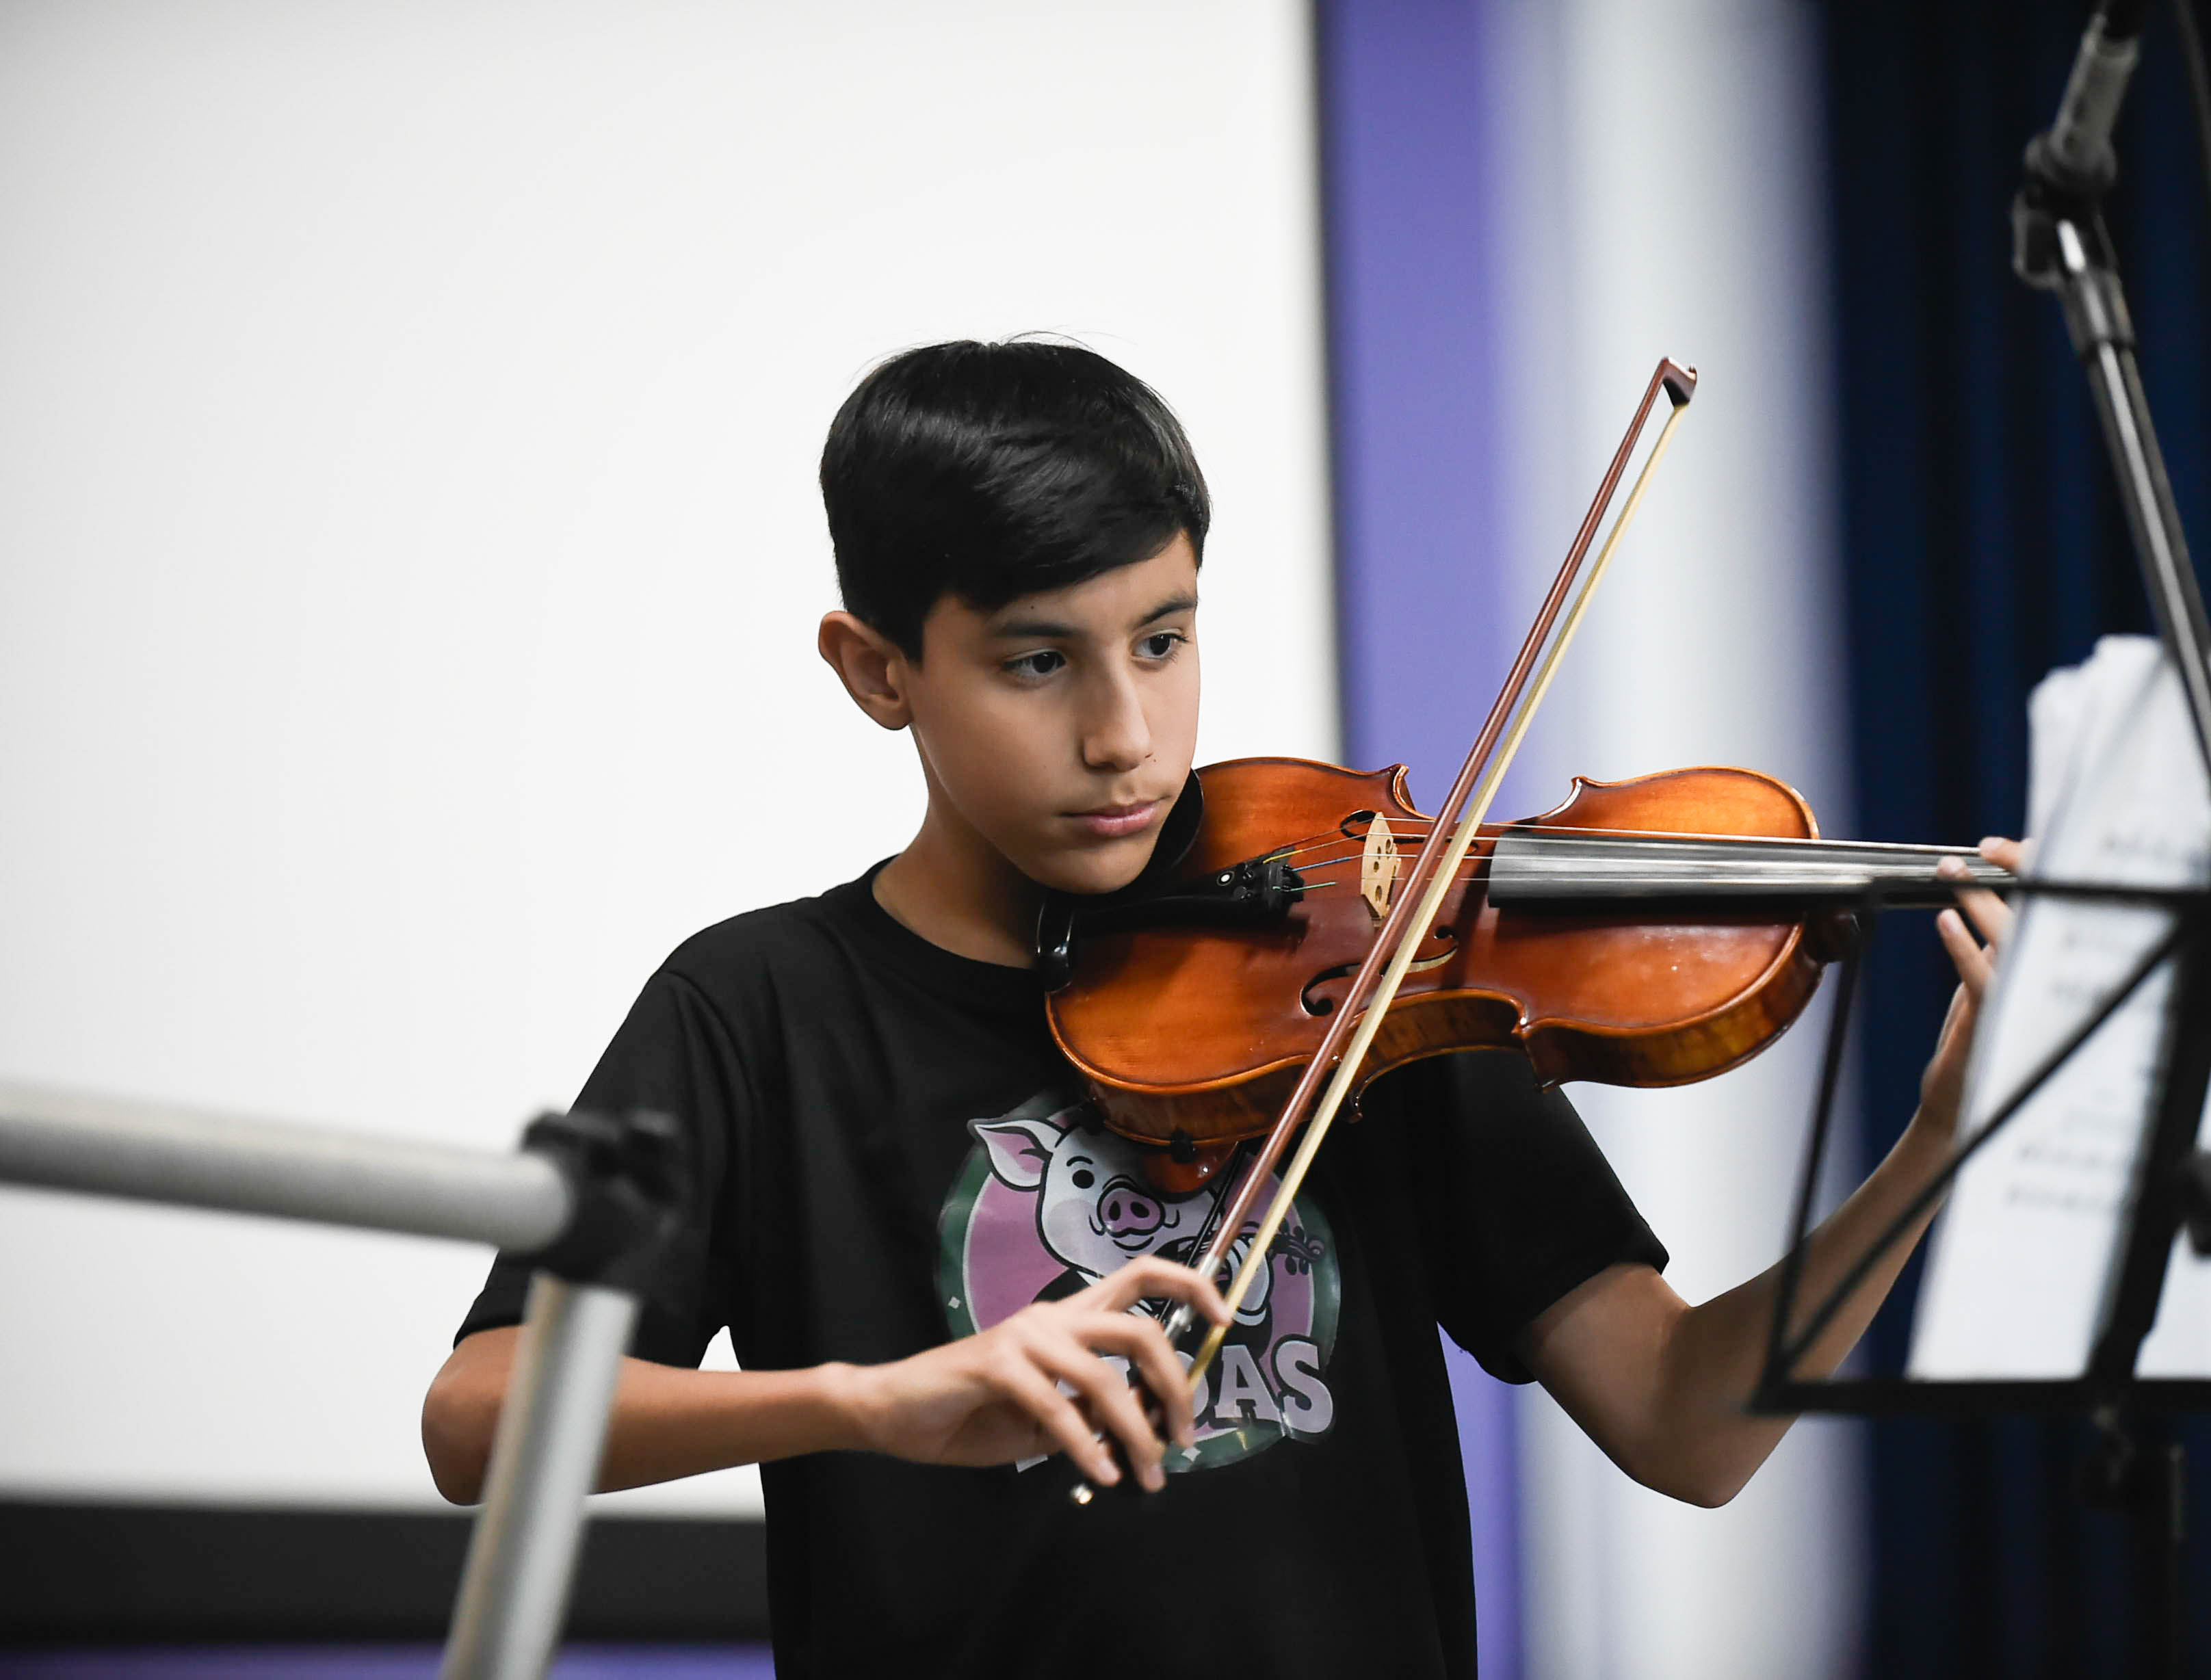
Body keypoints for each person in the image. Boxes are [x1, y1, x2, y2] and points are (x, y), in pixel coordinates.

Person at [421, 338, 2019, 1676]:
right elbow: (477, 1419)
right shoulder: (762, 1008)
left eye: (1165, 639)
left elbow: (1687, 1426)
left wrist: (1937, 1146)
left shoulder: (1376, 973)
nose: (1126, 733)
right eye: (1038, 663)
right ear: (876, 668)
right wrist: (870, 1402)